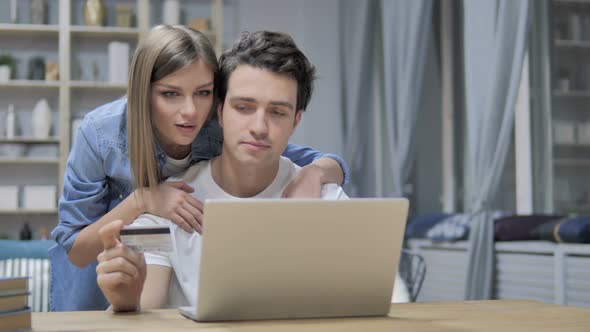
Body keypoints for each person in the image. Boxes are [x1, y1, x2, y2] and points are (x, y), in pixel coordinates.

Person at [49, 25, 350, 311]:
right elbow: (75, 249)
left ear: (217, 100)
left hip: (149, 256)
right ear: (144, 93)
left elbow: (305, 157)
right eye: (170, 93)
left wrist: (315, 174)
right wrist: (143, 199)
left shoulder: (219, 125)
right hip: (94, 267)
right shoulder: (101, 133)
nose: (190, 111)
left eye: (203, 92)